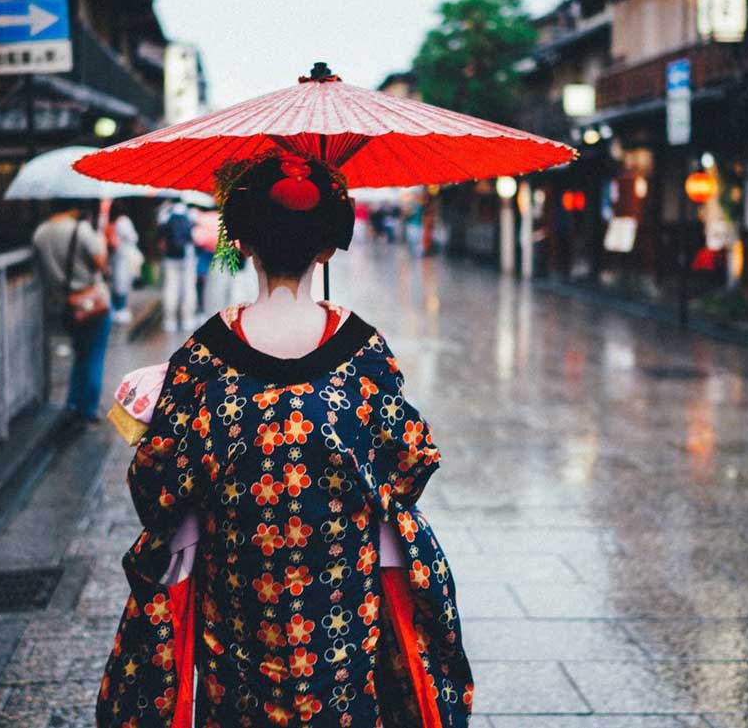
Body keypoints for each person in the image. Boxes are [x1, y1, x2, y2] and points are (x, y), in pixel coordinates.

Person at [97, 152, 472, 727]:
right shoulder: (362, 351)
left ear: (241, 241)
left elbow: (154, 486)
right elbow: (412, 462)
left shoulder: (204, 356)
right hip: (343, 606)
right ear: (327, 248)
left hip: (239, 605)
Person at [32, 202, 111, 422]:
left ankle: (73, 403)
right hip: (91, 302)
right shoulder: (81, 229)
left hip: (64, 304)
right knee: (94, 355)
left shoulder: (40, 234)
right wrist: (101, 239)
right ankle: (89, 410)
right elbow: (102, 265)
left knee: (79, 353)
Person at [158, 200, 197, 332]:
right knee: (189, 287)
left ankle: (170, 321)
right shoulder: (191, 214)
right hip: (188, 256)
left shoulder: (165, 214)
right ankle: (187, 319)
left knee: (170, 287)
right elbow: (194, 236)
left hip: (170, 257)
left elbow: (161, 239)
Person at [107, 203, 143, 325]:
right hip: (124, 255)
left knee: (116, 281)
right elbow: (133, 237)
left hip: (115, 255)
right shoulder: (124, 221)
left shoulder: (110, 222)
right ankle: (121, 309)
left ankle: (116, 308)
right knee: (122, 282)